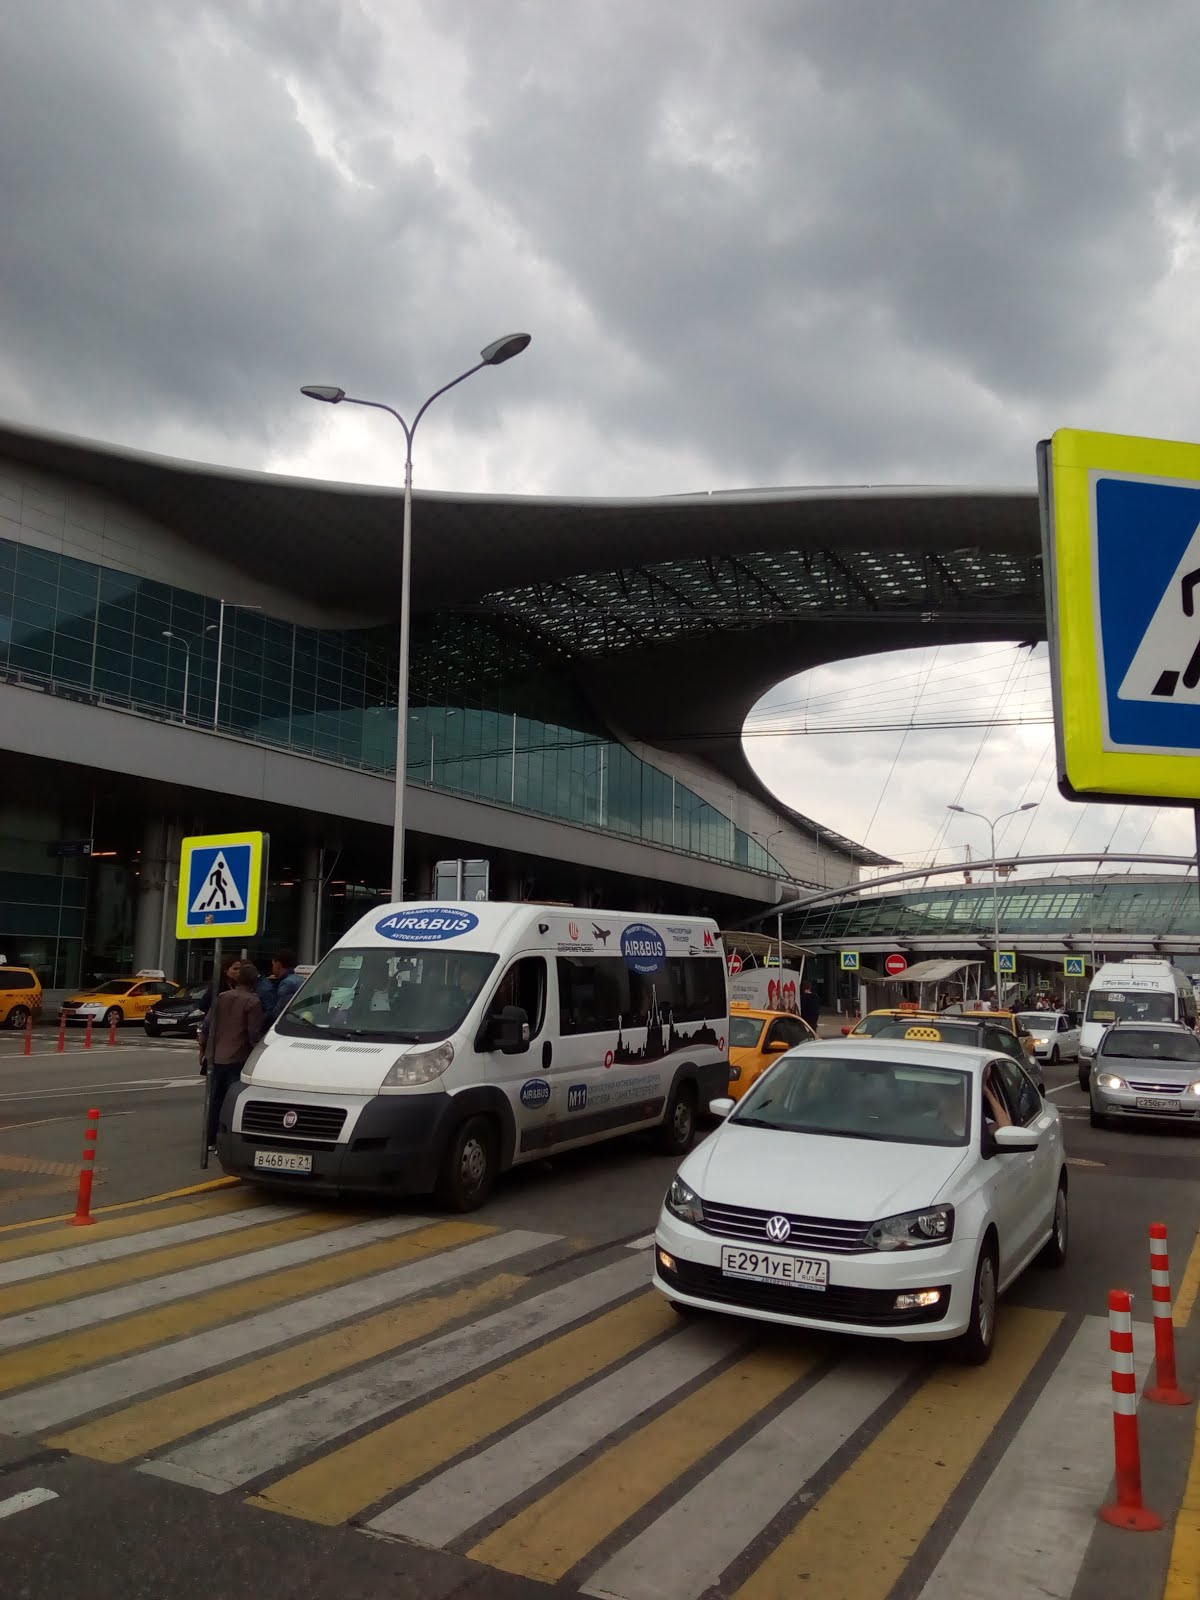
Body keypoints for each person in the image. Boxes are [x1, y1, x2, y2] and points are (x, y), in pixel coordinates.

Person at [199, 961, 264, 1150]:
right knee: (232, 1102)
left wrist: (203, 1049)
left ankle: (210, 1140)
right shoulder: (253, 1002)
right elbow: (253, 1033)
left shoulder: (222, 996)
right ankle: (225, 1141)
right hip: (237, 1057)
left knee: (214, 1100)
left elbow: (206, 1025)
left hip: (215, 1056)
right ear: (254, 982)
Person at [258, 948, 303, 1025]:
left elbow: (277, 1012)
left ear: (278, 964)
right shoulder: (300, 979)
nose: (272, 968)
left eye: (273, 964)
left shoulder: (286, 983)